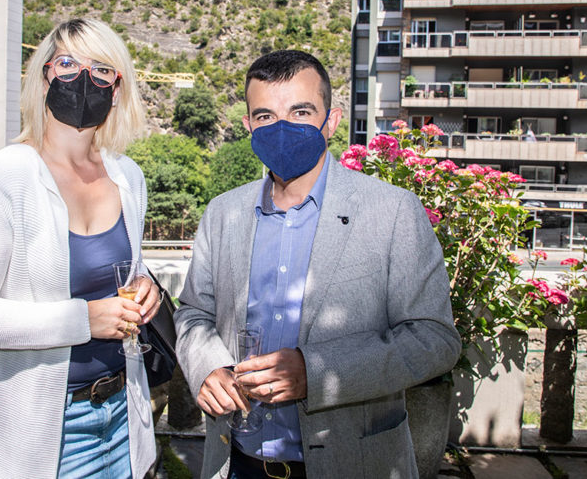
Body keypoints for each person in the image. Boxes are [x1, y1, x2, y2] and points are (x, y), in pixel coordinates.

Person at [174, 50, 461, 479]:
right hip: (237, 463)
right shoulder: (222, 213)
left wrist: (316, 372)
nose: (282, 127)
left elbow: (434, 339)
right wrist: (208, 366)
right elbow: (194, 312)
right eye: (266, 116)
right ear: (248, 125)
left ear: (332, 120)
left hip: (354, 465)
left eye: (301, 111)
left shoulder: (392, 211)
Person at [0, 18, 159, 479]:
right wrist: (83, 320)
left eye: (101, 70)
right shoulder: (1, 179)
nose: (84, 79)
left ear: (117, 89)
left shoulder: (127, 176)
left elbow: (115, 271)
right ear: (44, 79)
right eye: (68, 64)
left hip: (122, 416)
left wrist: (146, 285)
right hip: (36, 434)